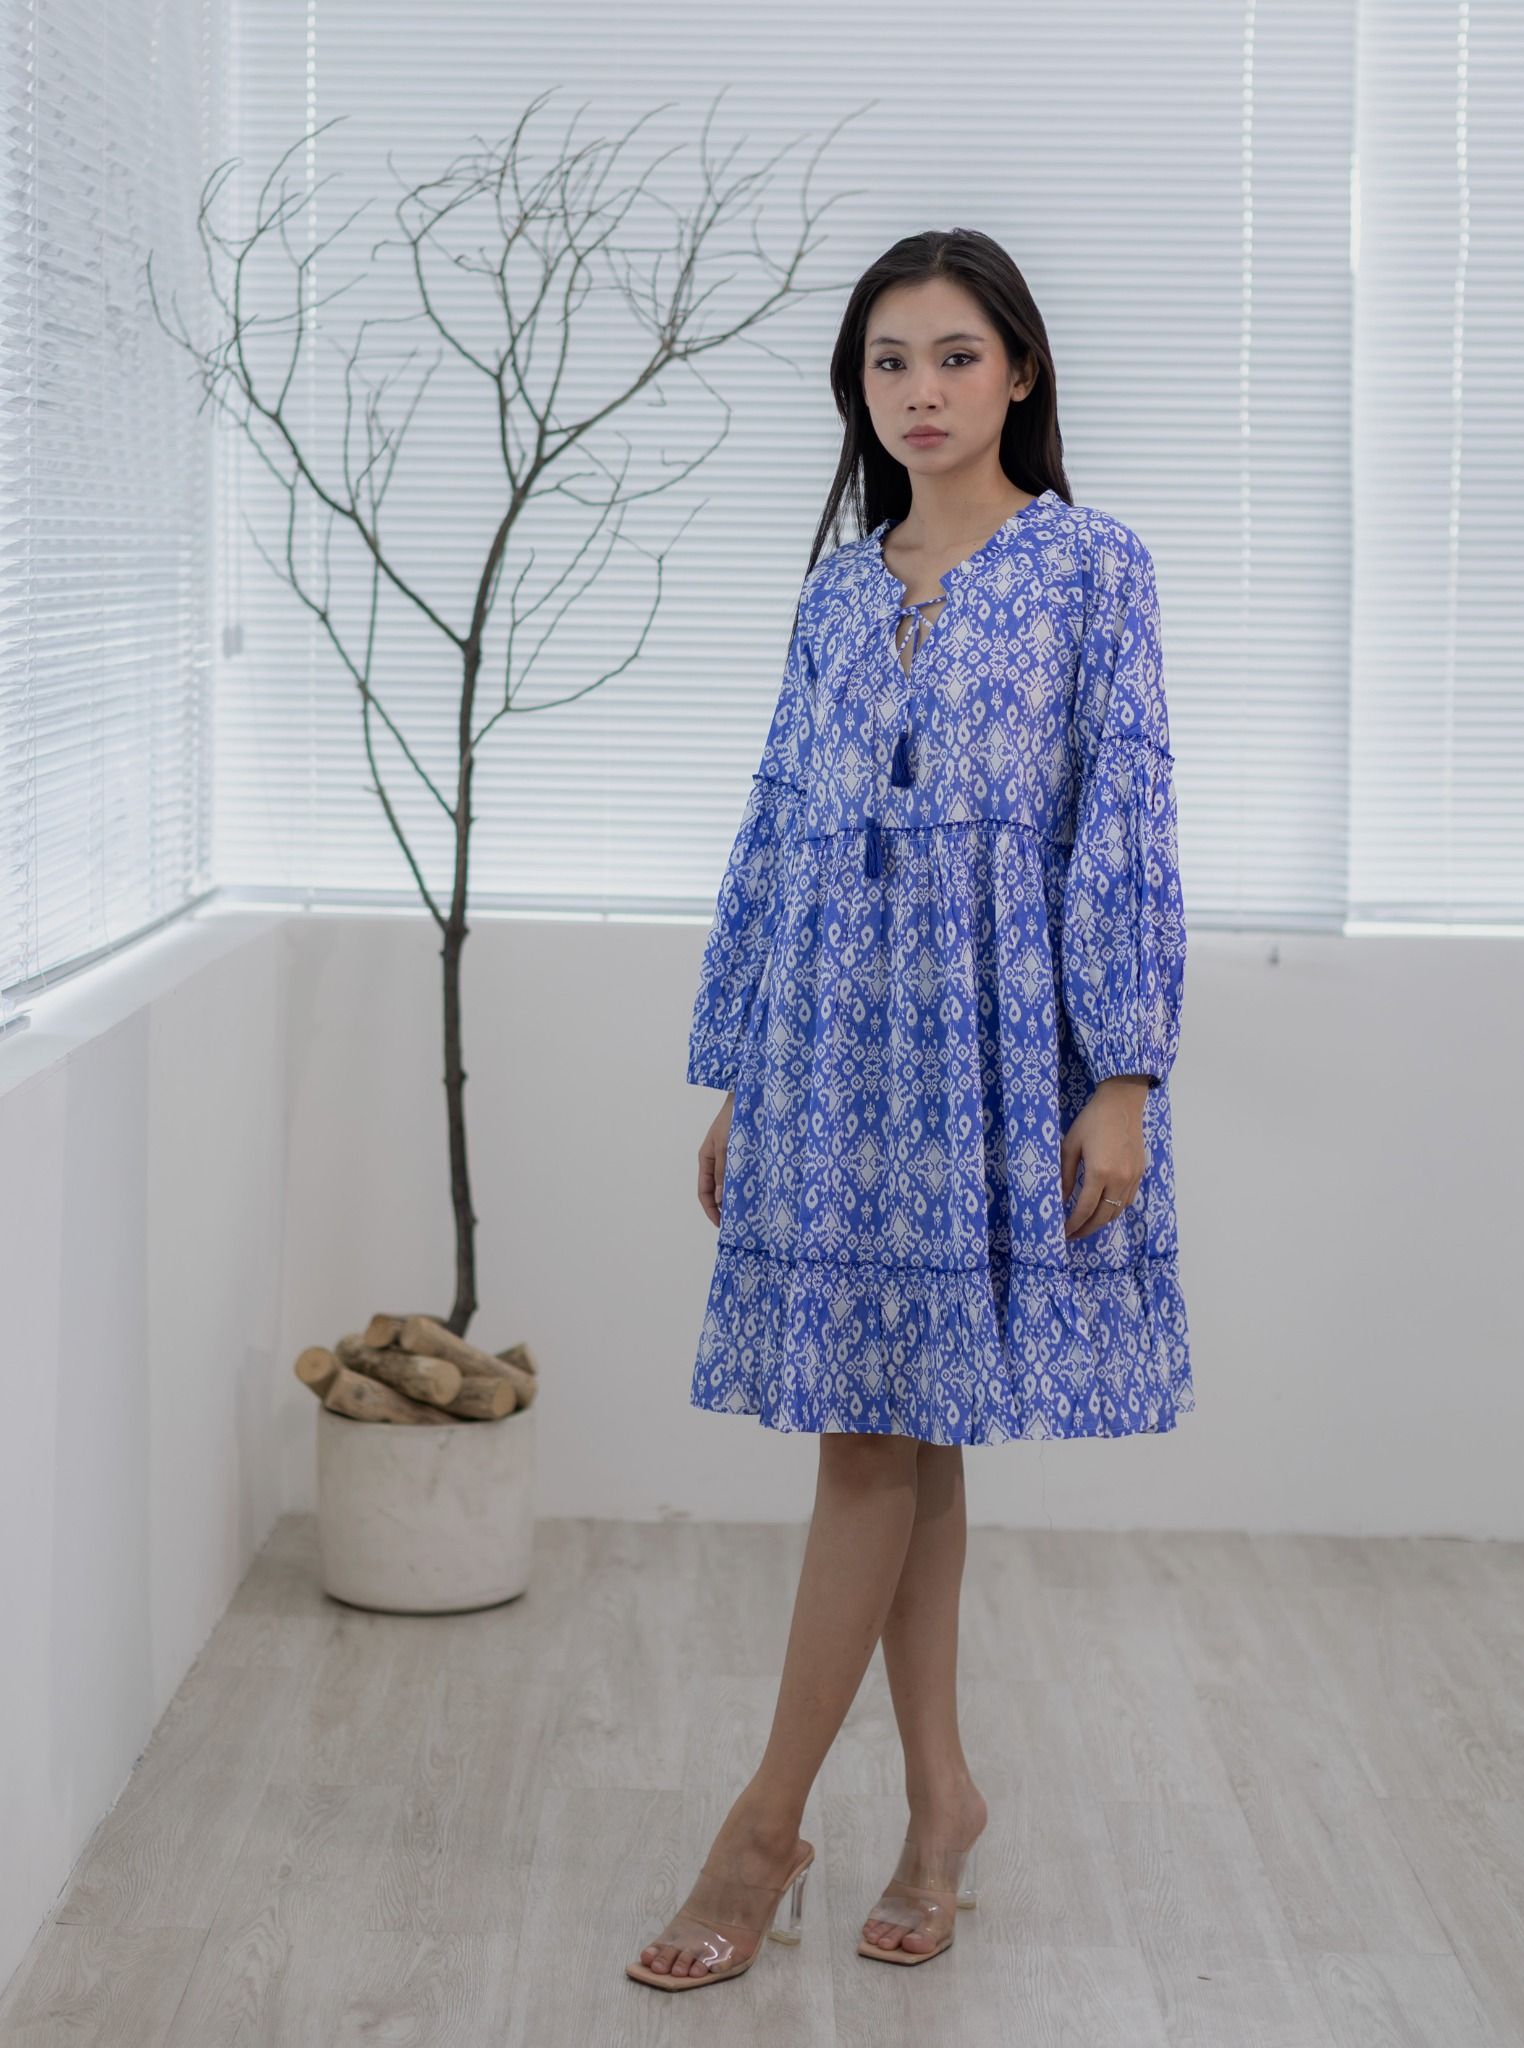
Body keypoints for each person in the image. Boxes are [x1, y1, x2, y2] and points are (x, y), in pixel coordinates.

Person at [626, 227, 1191, 1991]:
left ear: (1020, 370)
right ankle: (942, 1803)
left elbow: (1125, 816)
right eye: (889, 361)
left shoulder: (1092, 566)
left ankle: (763, 1827)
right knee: (896, 1425)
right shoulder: (833, 591)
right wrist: (743, 1075)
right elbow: (776, 830)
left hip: (994, 1053)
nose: (921, 391)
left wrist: (1126, 1075)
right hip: (828, 1055)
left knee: (873, 1435)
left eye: (954, 356)